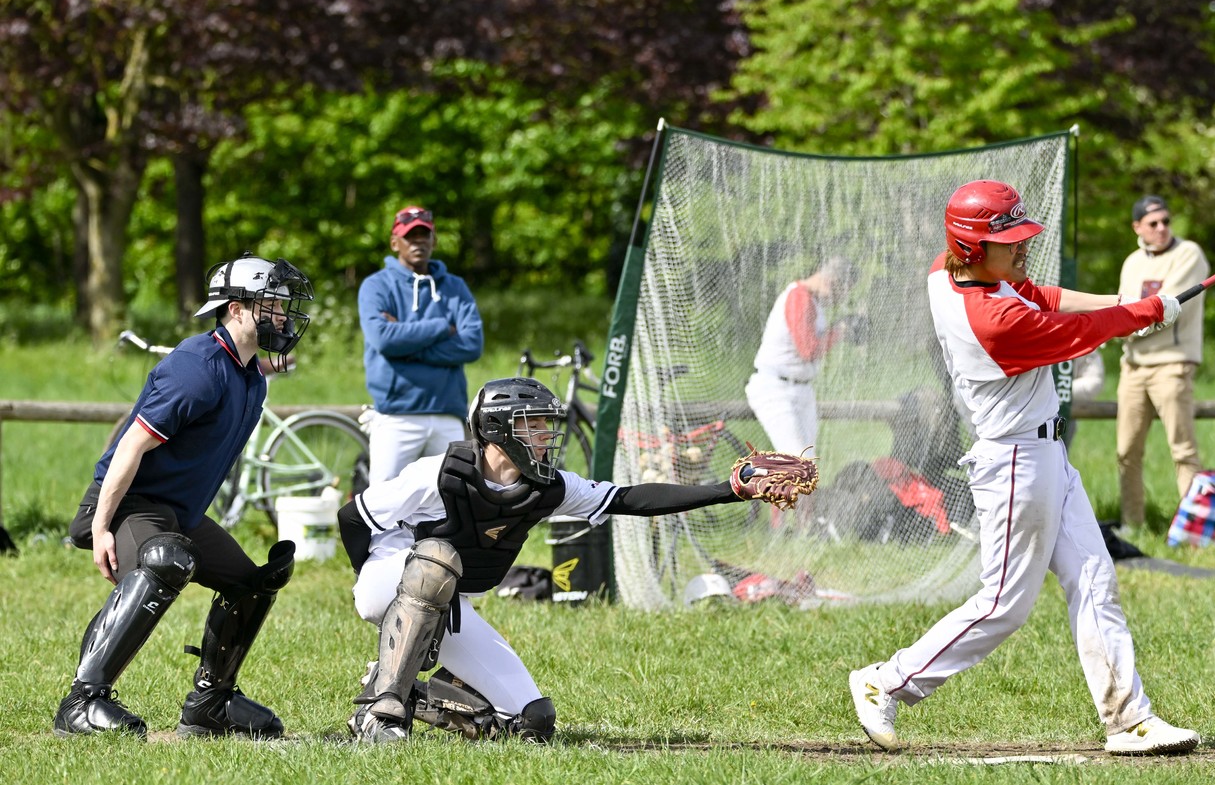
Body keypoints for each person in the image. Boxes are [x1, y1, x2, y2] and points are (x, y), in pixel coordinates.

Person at [847, 180, 1199, 756]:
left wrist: (1132, 305)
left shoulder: (949, 270)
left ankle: (1130, 720)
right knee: (1003, 605)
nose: (1021, 248)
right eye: (1007, 240)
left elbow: (1045, 294)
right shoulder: (994, 322)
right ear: (971, 248)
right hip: (1013, 463)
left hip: (1046, 455)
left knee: (1094, 578)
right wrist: (1145, 311)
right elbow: (1081, 331)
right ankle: (883, 681)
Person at [340, 377, 804, 743]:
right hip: (394, 577)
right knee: (435, 562)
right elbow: (355, 517)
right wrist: (384, 595)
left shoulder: (550, 487)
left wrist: (732, 488)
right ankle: (381, 711)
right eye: (533, 423)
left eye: (546, 423)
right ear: (498, 430)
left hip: (449, 601)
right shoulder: (438, 474)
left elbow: (629, 498)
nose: (546, 434)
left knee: (530, 721)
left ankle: (406, 683)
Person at [55, 256, 314, 738]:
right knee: (168, 560)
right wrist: (100, 526)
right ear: (236, 310)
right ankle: (81, 703)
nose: (283, 316)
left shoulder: (251, 376)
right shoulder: (197, 367)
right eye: (273, 305)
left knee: (256, 581)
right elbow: (131, 444)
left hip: (176, 512)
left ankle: (211, 704)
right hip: (129, 504)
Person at [358, 205, 484, 483]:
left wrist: (405, 345)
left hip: (447, 412)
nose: (418, 242)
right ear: (395, 242)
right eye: (409, 236)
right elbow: (384, 340)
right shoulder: (376, 286)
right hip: (395, 415)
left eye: (424, 236)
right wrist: (442, 327)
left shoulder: (455, 287)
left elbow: (472, 345)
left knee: (451, 502)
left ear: (434, 241)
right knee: (384, 506)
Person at [1115, 195, 1209, 529]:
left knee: (1183, 451)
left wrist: (1122, 326)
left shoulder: (1189, 254)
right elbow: (1123, 309)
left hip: (1173, 365)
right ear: (1137, 227)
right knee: (1126, 452)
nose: (1161, 228)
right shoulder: (1131, 262)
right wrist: (1120, 323)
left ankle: (1191, 529)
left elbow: (1164, 311)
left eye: (1166, 221)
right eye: (1153, 223)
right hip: (1134, 366)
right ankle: (1133, 525)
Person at [744, 257, 860, 458]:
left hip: (800, 390)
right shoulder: (799, 297)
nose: (841, 299)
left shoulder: (813, 300)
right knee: (800, 464)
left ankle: (762, 487)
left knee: (806, 467)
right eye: (843, 291)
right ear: (830, 282)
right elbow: (807, 350)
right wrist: (841, 329)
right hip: (776, 390)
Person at [1062, 347, 1105, 455]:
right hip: (1023, 417)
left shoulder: (1078, 336)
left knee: (1060, 462)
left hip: (1062, 413)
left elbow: (1094, 380)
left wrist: (1060, 392)